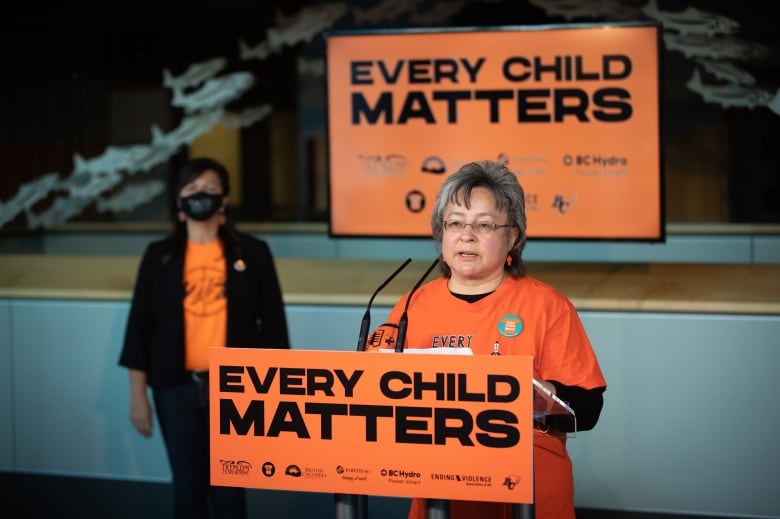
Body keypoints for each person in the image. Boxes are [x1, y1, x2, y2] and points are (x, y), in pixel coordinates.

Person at [367, 160, 606, 519]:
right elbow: (374, 395)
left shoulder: (548, 306)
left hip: (530, 496)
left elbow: (587, 410)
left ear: (512, 237)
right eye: (455, 223)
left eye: (484, 225)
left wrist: (531, 393)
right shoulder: (411, 305)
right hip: (439, 495)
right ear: (441, 234)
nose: (466, 235)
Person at [118, 157, 290, 519]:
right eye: (192, 189)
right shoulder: (158, 257)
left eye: (210, 189)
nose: (201, 196)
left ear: (224, 201)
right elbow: (139, 330)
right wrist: (138, 398)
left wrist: (275, 398)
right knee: (188, 489)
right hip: (175, 389)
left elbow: (274, 330)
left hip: (236, 390)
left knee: (229, 489)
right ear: (179, 203)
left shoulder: (252, 253)